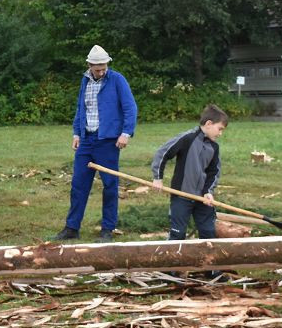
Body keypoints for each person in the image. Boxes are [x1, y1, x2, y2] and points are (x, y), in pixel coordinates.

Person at [53, 45, 138, 243]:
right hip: (86, 141)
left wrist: (126, 133)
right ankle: (72, 227)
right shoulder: (85, 81)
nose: (101, 71)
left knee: (110, 185)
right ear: (89, 65)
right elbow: (80, 108)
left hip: (107, 141)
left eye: (104, 67)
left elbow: (130, 107)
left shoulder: (117, 80)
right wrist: (76, 133)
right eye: (97, 68)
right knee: (78, 185)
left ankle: (107, 229)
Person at [151, 104, 228, 241]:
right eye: (220, 129)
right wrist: (158, 178)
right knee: (178, 234)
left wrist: (208, 192)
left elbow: (214, 172)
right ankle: (174, 259)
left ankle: (206, 261)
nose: (220, 133)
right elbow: (162, 153)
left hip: (202, 199)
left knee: (208, 233)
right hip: (181, 196)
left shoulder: (214, 147)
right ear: (209, 124)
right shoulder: (187, 138)